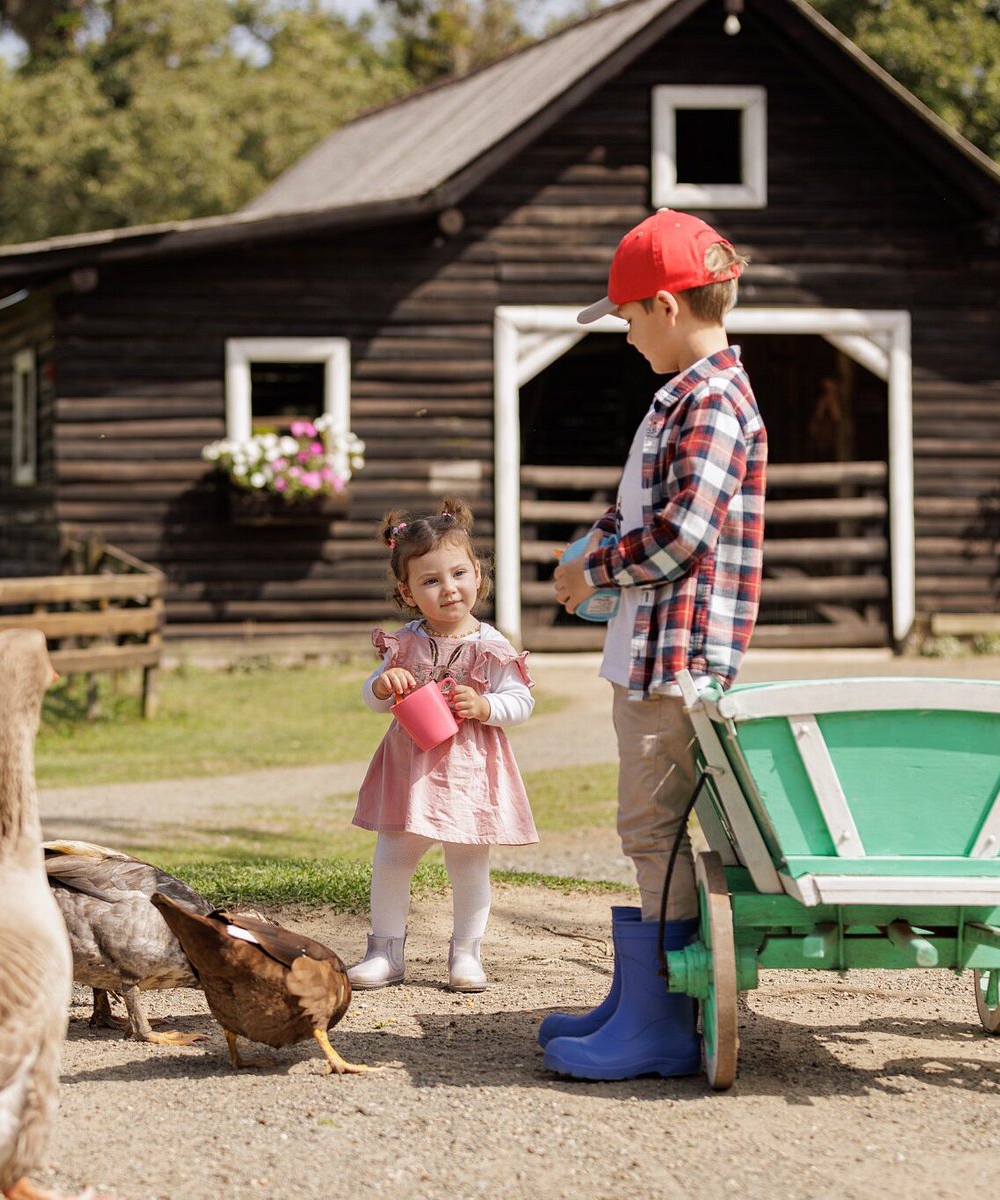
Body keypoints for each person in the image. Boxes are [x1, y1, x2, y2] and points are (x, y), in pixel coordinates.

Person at [543, 208, 767, 1080]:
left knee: (655, 828)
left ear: (667, 306)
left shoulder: (711, 400)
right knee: (650, 825)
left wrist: (594, 570)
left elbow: (681, 537)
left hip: (675, 661)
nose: (629, 336)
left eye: (630, 318)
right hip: (651, 649)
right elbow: (646, 511)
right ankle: (636, 1001)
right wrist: (588, 553)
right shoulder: (682, 399)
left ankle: (662, 1022)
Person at [348, 497, 537, 993]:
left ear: (477, 573)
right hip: (412, 768)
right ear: (407, 592)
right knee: (393, 855)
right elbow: (371, 697)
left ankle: (466, 953)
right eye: (430, 581)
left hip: (470, 769)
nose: (448, 589)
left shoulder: (490, 644)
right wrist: (384, 686)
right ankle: (385, 950)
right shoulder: (404, 643)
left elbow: (522, 701)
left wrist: (489, 706)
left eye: (457, 574)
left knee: (468, 859)